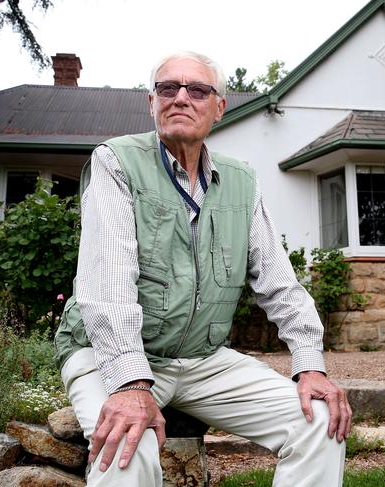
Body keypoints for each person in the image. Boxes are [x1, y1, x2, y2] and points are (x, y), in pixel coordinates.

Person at [54, 50, 352, 486]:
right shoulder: (116, 161)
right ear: (151, 102)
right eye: (167, 88)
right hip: (107, 356)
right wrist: (131, 384)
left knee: (319, 419)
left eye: (196, 89)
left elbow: (280, 284)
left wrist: (310, 366)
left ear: (219, 106)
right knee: (127, 443)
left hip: (200, 361)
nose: (180, 98)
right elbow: (108, 282)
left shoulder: (241, 182)